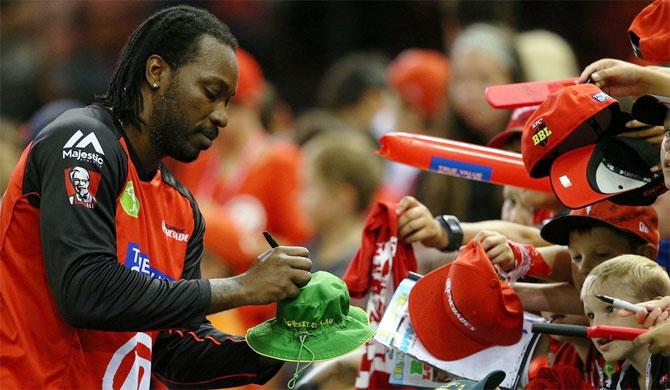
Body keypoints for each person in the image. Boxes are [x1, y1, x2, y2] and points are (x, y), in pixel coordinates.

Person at [0, 6, 312, 388]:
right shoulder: (82, 141)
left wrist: (276, 346)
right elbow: (85, 290)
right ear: (156, 72)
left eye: (228, 102)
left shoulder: (182, 208)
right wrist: (241, 288)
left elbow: (169, 349)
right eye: (211, 93)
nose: (221, 117)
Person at [581, 255, 670, 389]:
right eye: (591, 315)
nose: (596, 325)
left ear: (654, 306)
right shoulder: (618, 382)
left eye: (610, 309)